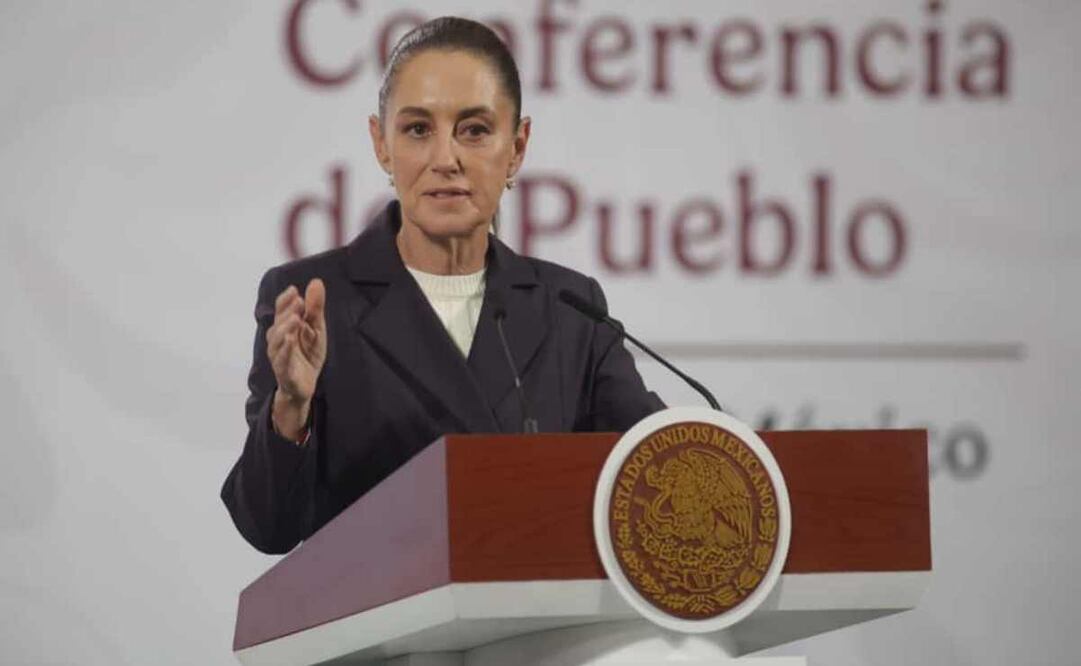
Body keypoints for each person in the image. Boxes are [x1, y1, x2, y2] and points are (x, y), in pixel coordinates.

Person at [221, 17, 663, 554]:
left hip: (536, 627)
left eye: (474, 130)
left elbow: (657, 471)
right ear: (382, 145)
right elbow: (268, 527)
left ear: (517, 147)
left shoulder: (570, 309)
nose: (445, 159)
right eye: (417, 130)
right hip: (386, 632)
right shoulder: (313, 300)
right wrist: (291, 405)